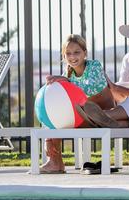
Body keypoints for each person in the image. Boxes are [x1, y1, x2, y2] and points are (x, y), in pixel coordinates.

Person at [40, 34, 113, 174]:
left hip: (104, 114)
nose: (72, 57)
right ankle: (55, 162)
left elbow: (88, 91)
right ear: (63, 56)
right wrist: (48, 137)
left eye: (77, 52)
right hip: (84, 116)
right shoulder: (68, 73)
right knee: (56, 114)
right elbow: (55, 103)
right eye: (68, 53)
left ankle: (55, 162)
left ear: (85, 53)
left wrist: (65, 82)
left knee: (61, 116)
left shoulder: (94, 66)